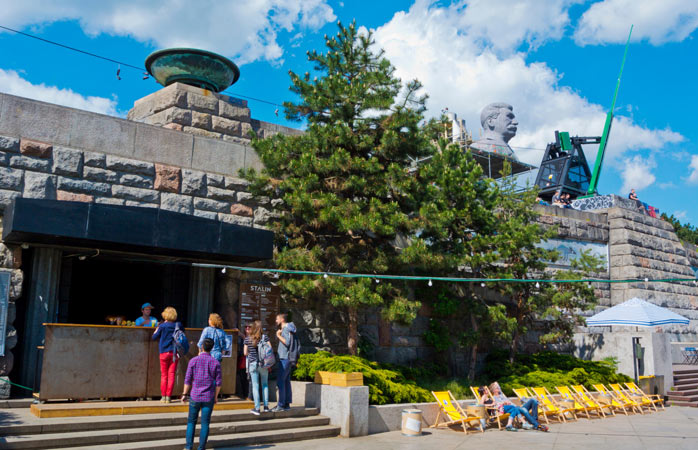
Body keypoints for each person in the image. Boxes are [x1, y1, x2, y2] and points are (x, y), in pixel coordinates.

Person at [182, 338, 221, 450]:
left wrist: (184, 394)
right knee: (205, 423)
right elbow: (218, 383)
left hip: (195, 395)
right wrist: (216, 397)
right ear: (212, 348)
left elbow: (188, 379)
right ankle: (201, 447)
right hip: (208, 397)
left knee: (191, 422)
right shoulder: (215, 362)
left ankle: (188, 447)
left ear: (202, 347)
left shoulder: (193, 361)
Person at [152, 306, 184, 403]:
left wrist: (156, 330)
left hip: (164, 352)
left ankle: (163, 397)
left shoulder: (162, 326)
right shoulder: (178, 325)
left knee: (164, 375)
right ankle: (169, 397)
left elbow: (154, 337)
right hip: (174, 353)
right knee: (171, 375)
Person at [244, 320, 270, 415]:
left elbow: (245, 353)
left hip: (253, 364)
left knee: (255, 386)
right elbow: (269, 349)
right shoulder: (265, 337)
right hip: (263, 364)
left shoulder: (248, 339)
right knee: (265, 384)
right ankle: (266, 406)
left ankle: (257, 408)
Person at [273, 313, 297, 412]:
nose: (276, 321)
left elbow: (287, 342)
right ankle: (286, 404)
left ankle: (281, 405)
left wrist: (278, 335)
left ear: (282, 319)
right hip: (286, 358)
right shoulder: (288, 328)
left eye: (277, 319)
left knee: (280, 382)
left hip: (285, 358)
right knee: (286, 381)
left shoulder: (286, 328)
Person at [236, 323, 251, 401]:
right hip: (242, 360)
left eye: (249, 327)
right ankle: (244, 395)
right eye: (246, 327)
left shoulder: (252, 337)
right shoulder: (241, 338)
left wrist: (243, 336)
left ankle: (248, 395)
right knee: (243, 378)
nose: (247, 328)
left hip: (250, 360)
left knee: (248, 379)